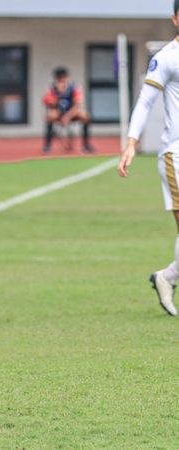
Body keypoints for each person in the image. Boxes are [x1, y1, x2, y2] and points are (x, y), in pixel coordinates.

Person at [119, 1, 179, 316]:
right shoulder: (167, 58)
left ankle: (166, 277)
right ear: (175, 18)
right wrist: (131, 143)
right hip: (176, 154)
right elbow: (145, 102)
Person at [43, 67, 94, 153]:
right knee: (50, 116)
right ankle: (47, 145)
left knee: (85, 116)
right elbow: (48, 103)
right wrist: (58, 95)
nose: (62, 81)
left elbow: (77, 105)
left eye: (64, 78)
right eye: (59, 79)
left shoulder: (74, 88)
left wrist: (67, 117)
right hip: (59, 113)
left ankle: (86, 145)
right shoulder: (51, 89)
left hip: (72, 113)